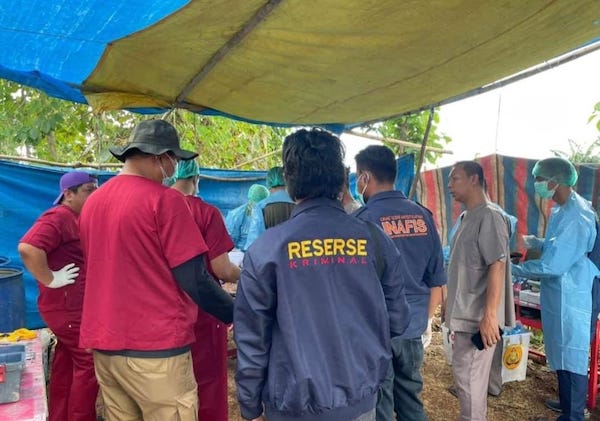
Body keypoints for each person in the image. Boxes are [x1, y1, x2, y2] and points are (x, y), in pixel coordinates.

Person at [234, 128, 411, 421]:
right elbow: (398, 320)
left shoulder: (267, 248)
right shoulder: (374, 240)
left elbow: (252, 338)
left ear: (290, 181)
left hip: (292, 406)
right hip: (360, 400)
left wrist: (250, 405)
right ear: (341, 179)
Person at [78, 119, 234, 420]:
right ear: (159, 156)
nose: (174, 166)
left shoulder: (93, 203)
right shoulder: (165, 201)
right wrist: (236, 312)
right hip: (156, 350)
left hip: (104, 345)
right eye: (173, 158)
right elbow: (195, 278)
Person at [352, 145, 445, 421]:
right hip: (412, 329)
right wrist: (424, 321)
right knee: (411, 402)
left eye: (357, 176)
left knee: (379, 405)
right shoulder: (424, 217)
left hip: (375, 332)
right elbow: (437, 279)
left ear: (365, 177)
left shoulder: (362, 221)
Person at [512, 157, 598, 421]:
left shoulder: (577, 215)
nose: (536, 184)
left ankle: (573, 415)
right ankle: (566, 402)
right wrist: (534, 241)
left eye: (539, 180)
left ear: (554, 181)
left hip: (577, 290)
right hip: (562, 286)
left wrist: (513, 269)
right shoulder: (561, 208)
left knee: (572, 349)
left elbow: (553, 265)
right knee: (560, 346)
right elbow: (557, 246)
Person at [18, 171, 99, 421]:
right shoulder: (59, 217)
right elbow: (28, 247)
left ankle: (60, 416)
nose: (94, 194)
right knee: (89, 363)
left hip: (69, 307)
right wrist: (50, 278)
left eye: (96, 188)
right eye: (88, 189)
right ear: (68, 194)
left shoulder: (78, 218)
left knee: (68, 363)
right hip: (67, 308)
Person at [171, 159, 241, 421]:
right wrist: (246, 277)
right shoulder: (205, 213)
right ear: (196, 178)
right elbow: (222, 269)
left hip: (163, 313)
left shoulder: (150, 206)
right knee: (208, 383)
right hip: (204, 310)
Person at [445, 160, 513, 421]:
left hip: (477, 318)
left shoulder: (490, 216)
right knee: (466, 380)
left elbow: (497, 265)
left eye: (455, 178)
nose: (449, 185)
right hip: (466, 313)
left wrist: (490, 317)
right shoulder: (466, 217)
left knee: (470, 383)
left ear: (474, 179)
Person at [243, 166, 295, 249]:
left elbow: (253, 243)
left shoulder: (260, 207)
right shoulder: (298, 204)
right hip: (295, 256)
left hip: (269, 257)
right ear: (287, 180)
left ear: (268, 183)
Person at [225, 184, 270, 250]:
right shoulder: (236, 215)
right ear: (250, 200)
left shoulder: (269, 213)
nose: (259, 209)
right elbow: (230, 243)